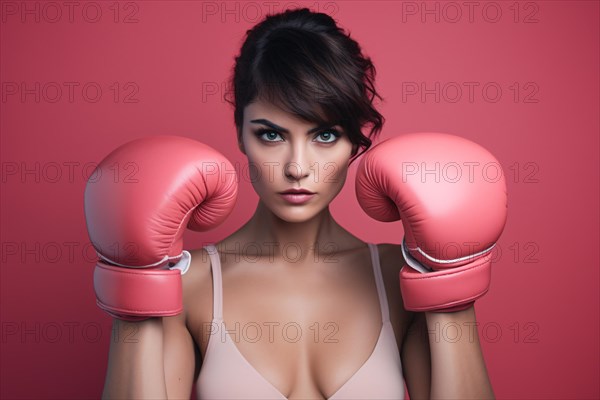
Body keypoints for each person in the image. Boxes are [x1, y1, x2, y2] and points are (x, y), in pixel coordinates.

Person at [97, 7, 498, 399]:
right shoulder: (192, 285)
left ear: (355, 143)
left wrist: (449, 279)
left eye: (325, 136)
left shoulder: (400, 277)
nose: (297, 168)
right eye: (271, 135)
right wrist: (138, 284)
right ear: (240, 134)